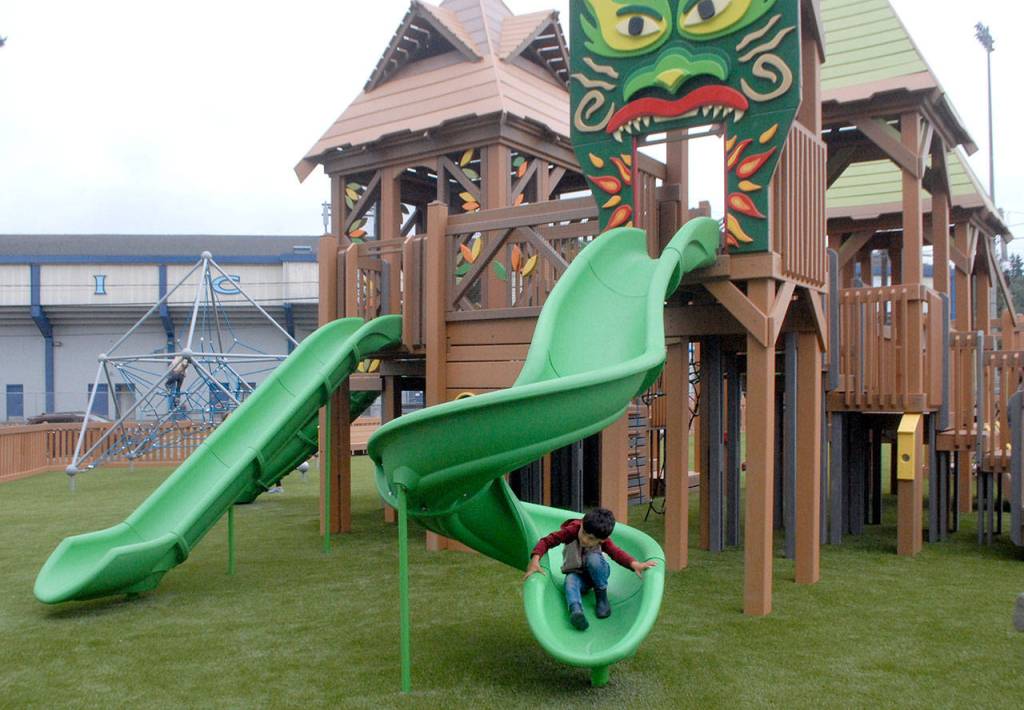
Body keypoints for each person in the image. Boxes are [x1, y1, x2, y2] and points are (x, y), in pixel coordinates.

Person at [523, 507, 657, 631]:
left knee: (593, 558)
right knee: (569, 581)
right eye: (584, 533)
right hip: (579, 575)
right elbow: (547, 541)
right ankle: (576, 611)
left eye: (591, 539)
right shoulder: (572, 530)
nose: (585, 539)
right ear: (581, 525)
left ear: (602, 540)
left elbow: (616, 553)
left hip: (599, 573)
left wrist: (634, 564)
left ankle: (601, 597)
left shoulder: (604, 541)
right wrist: (535, 559)